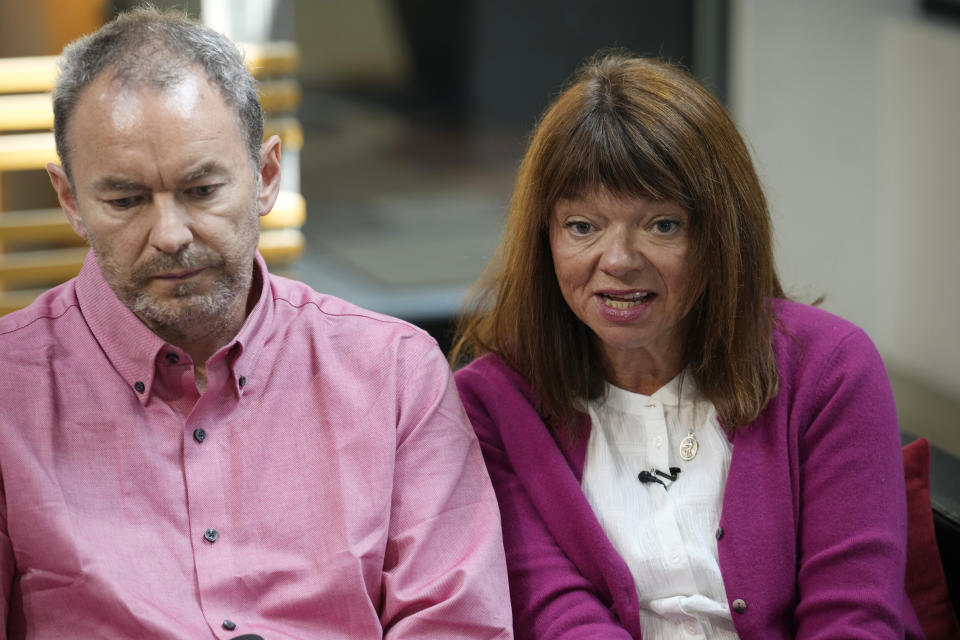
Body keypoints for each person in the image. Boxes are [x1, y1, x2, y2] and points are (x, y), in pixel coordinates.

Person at [0, 8, 512, 638]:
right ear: (71, 201)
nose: (170, 235)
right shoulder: (8, 391)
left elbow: (456, 625)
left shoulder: (396, 373)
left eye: (201, 190)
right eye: (126, 200)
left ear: (267, 176)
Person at [451, 53, 923, 639]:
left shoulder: (827, 368)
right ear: (543, 238)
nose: (619, 261)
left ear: (720, 236)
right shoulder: (495, 404)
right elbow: (554, 611)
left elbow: (853, 618)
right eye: (582, 226)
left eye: (662, 225)